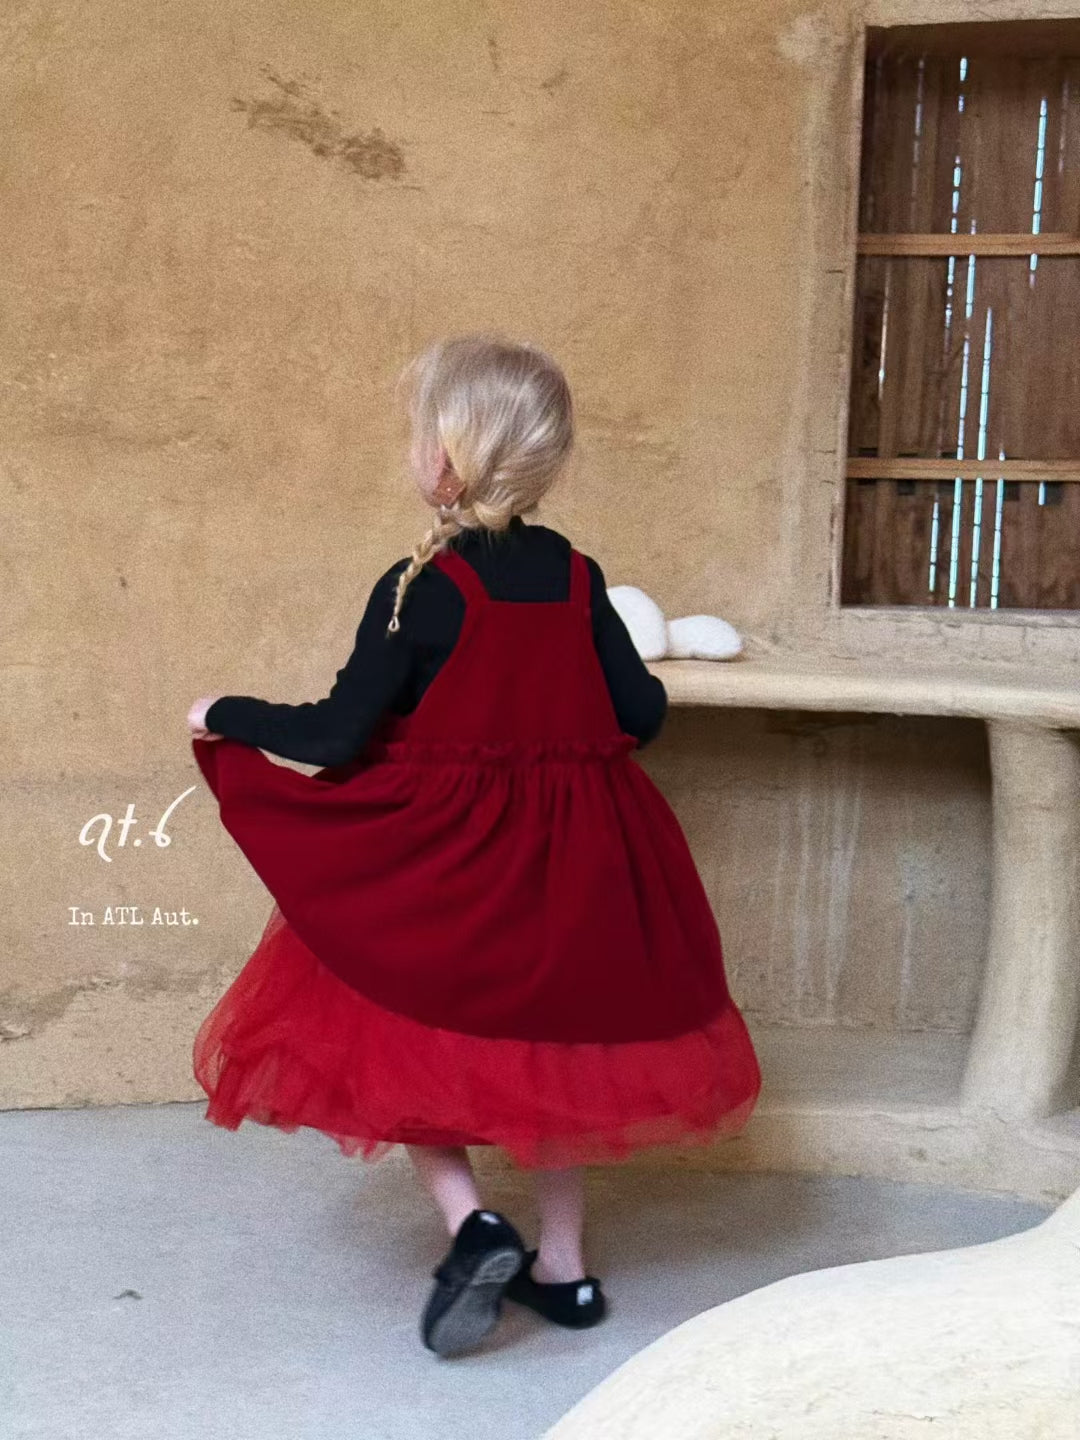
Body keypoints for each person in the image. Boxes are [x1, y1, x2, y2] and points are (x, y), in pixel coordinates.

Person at [187, 332, 762, 1358]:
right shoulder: (578, 577)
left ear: (445, 459)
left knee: (397, 1025)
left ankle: (473, 1224)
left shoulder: (424, 586)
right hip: (578, 871)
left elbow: (336, 734)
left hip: (453, 867)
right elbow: (641, 717)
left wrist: (221, 712)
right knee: (562, 1054)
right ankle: (566, 1270)